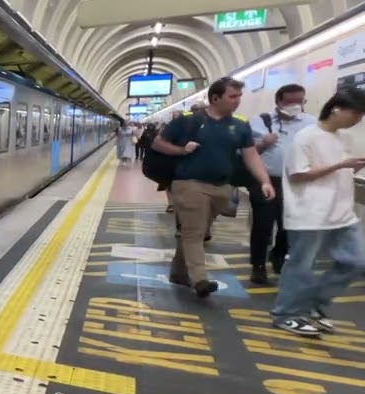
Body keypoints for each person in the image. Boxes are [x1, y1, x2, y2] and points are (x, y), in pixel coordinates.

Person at [153, 78, 274, 297]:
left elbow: (251, 155)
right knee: (194, 231)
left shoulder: (239, 124)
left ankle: (179, 271)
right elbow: (158, 143)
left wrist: (264, 180)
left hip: (222, 187)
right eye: (232, 96)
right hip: (189, 184)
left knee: (199, 231)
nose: (237, 101)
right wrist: (181, 151)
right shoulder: (187, 120)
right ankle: (199, 280)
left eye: (239, 96)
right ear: (215, 98)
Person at [270, 87, 365, 336]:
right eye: (356, 113)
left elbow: (340, 172)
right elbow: (298, 174)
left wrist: (350, 167)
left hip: (343, 213)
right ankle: (286, 314)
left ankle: (313, 304)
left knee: (356, 262)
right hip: (309, 213)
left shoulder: (344, 138)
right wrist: (340, 164)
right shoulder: (305, 137)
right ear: (337, 109)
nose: (359, 119)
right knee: (301, 266)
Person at [247, 84, 316, 284]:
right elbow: (245, 153)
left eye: (300, 101)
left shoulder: (311, 124)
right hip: (266, 180)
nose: (295, 105)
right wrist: (263, 144)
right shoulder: (259, 122)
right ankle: (258, 265)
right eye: (290, 102)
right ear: (278, 102)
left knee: (289, 224)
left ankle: (279, 254)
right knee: (263, 224)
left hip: (296, 182)